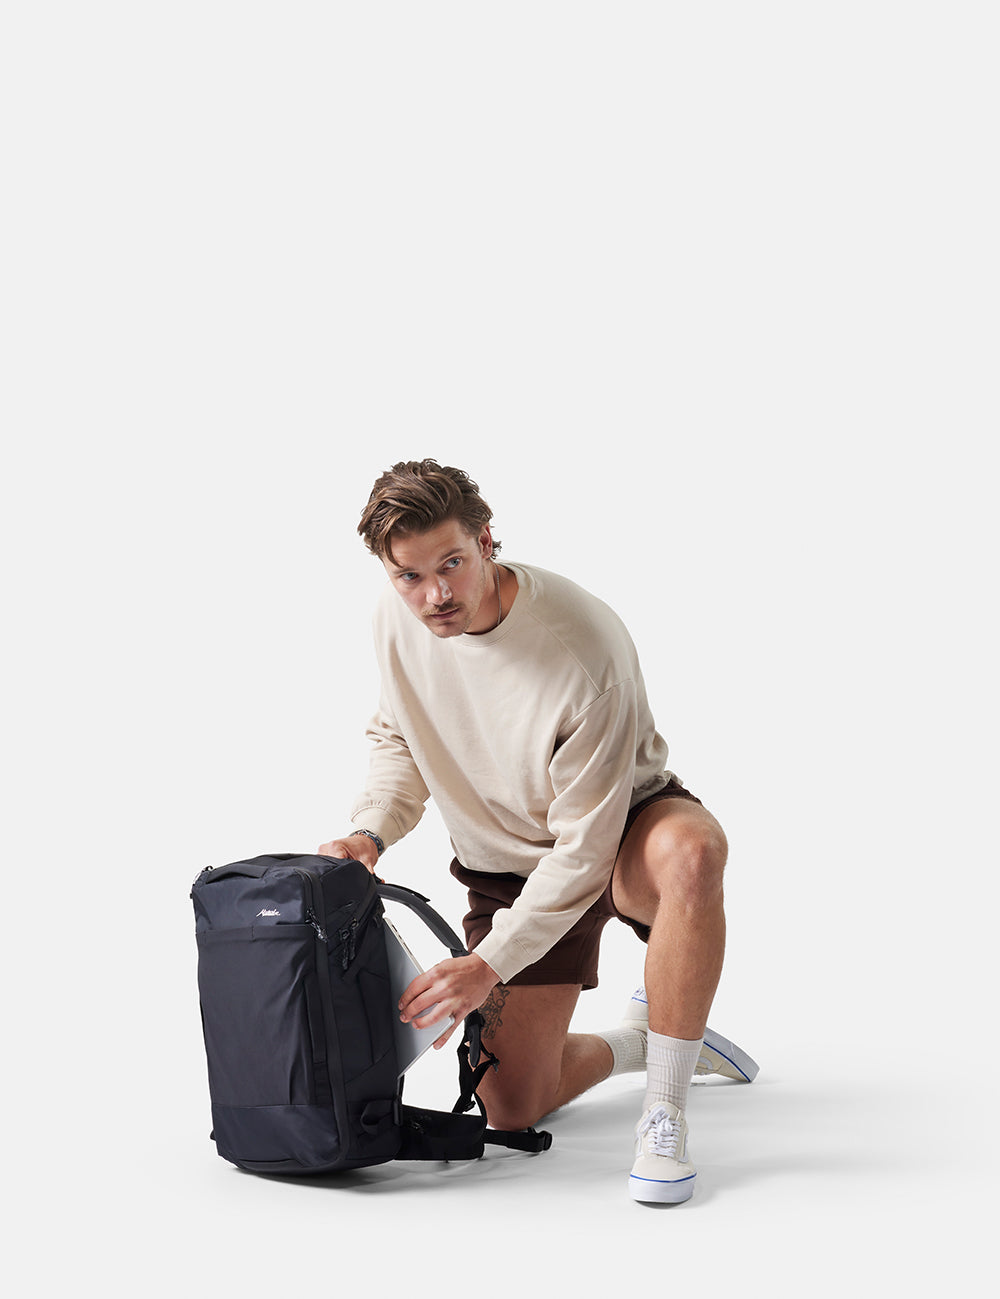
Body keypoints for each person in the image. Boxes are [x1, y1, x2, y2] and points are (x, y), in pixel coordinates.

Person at [319, 459, 752, 1204]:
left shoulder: (580, 646)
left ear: (488, 541)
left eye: (451, 563)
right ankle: (646, 1041)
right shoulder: (400, 622)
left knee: (694, 852)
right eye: (410, 576)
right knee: (512, 1105)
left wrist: (488, 962)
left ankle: (666, 1108)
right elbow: (400, 739)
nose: (436, 595)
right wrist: (371, 832)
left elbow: (585, 850)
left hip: (619, 829)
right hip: (508, 864)